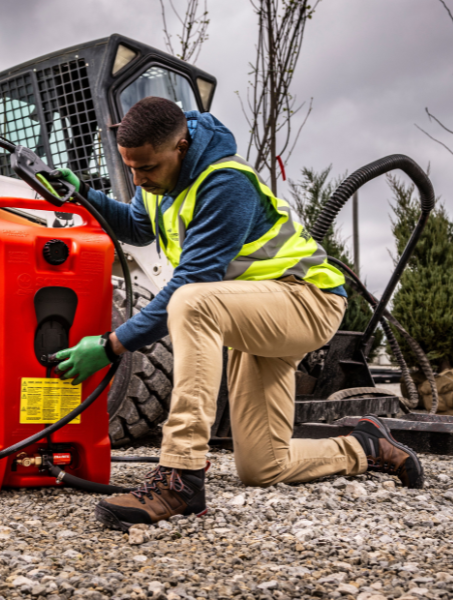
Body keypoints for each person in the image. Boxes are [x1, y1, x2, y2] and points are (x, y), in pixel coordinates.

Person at [54, 96, 423, 532]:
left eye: (146, 168)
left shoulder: (225, 182)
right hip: (255, 308)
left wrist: (112, 345)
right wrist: (80, 194)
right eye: (130, 168)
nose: (137, 178)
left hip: (306, 300)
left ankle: (180, 477)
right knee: (263, 466)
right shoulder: (157, 177)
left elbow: (192, 281)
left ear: (181, 147)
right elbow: (137, 225)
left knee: (191, 300)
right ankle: (367, 445)